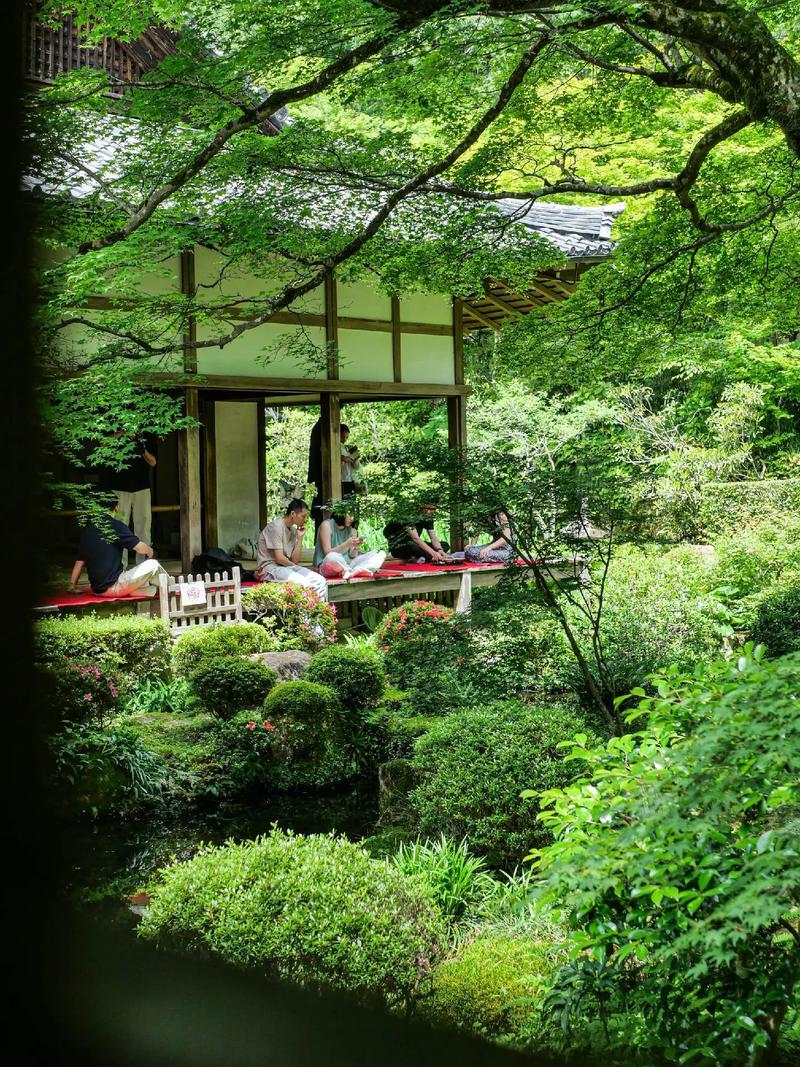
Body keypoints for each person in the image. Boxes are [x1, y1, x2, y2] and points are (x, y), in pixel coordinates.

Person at [70, 502, 165, 597]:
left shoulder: (87, 530)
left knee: (145, 583)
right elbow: (140, 548)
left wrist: (72, 585)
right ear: (117, 507)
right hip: (115, 586)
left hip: (97, 590)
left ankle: (153, 590)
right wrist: (149, 550)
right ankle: (171, 587)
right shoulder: (116, 525)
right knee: (153, 565)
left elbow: (79, 562)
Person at [101, 432, 157, 566]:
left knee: (143, 527)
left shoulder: (147, 434)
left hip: (142, 488)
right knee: (120, 526)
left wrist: (142, 450)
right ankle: (120, 568)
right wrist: (121, 434)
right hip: (119, 488)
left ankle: (144, 568)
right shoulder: (113, 427)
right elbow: (102, 445)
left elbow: (153, 462)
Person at [256, 498, 328, 599]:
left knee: (320, 581)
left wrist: (300, 538)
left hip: (286, 567)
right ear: (293, 514)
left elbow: (295, 560)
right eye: (303, 516)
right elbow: (279, 558)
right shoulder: (276, 527)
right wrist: (295, 567)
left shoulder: (294, 531)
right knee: (303, 583)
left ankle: (320, 613)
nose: (305, 519)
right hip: (270, 569)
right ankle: (306, 613)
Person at [313, 504, 386, 579]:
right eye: (350, 515)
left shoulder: (352, 529)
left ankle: (353, 571)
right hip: (328, 564)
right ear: (341, 514)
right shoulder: (326, 525)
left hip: (348, 564)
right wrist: (346, 544)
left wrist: (356, 547)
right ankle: (356, 571)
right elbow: (327, 553)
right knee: (333, 557)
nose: (352, 518)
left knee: (379, 554)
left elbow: (352, 555)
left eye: (353, 516)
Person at [383, 499, 451, 562]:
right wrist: (433, 553)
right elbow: (415, 538)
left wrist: (440, 550)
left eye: (432, 509)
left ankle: (423, 557)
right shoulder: (409, 515)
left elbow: (433, 537)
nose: (428, 511)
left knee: (444, 545)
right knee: (413, 546)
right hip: (400, 547)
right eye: (426, 508)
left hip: (415, 544)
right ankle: (428, 557)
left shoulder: (428, 517)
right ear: (421, 505)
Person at [340, 425, 365, 497]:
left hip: (350, 480)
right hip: (342, 480)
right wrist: (342, 458)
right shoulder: (335, 446)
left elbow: (356, 467)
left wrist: (355, 457)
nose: (344, 439)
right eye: (342, 437)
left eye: (346, 437)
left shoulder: (346, 448)